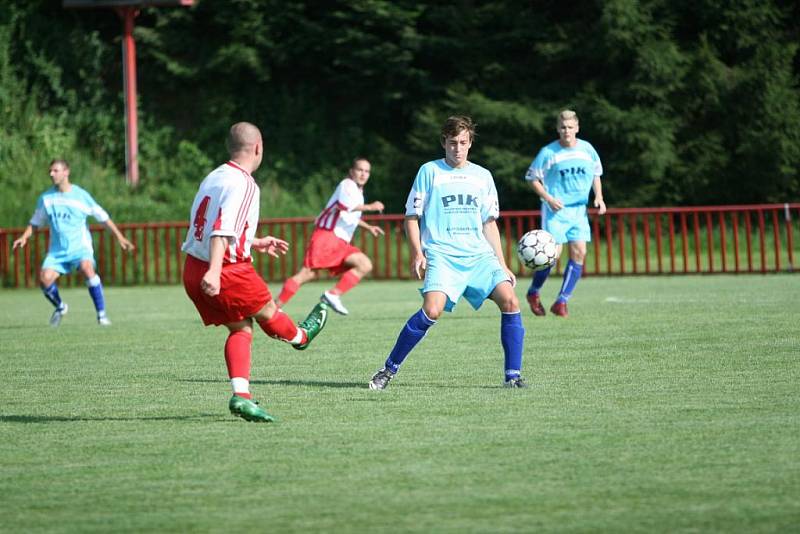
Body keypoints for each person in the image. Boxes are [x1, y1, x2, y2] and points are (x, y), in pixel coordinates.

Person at [181, 122, 329, 422]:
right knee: (269, 312)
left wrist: (254, 241)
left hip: (192, 268)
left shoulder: (214, 176)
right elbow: (221, 230)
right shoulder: (245, 183)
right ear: (258, 148)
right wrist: (215, 270)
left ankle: (242, 396)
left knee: (241, 328)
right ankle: (301, 336)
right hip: (224, 270)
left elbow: (212, 223)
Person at [368, 115, 527, 390]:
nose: (458, 148)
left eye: (463, 142)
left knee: (511, 302)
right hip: (442, 255)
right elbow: (411, 216)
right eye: (452, 142)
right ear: (444, 142)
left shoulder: (483, 176)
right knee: (432, 310)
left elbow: (489, 224)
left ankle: (512, 377)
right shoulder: (430, 171)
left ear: (470, 143)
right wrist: (418, 253)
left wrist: (502, 264)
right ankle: (388, 369)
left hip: (479, 256)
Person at [12, 159, 135, 327]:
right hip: (57, 252)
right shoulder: (46, 199)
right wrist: (24, 237)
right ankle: (60, 307)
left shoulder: (81, 196)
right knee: (45, 279)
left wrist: (120, 237)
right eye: (50, 171)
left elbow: (103, 218)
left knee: (87, 268)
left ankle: (102, 315)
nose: (51, 174)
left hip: (80, 248)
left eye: (55, 170)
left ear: (66, 172)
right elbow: (35, 223)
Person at [275, 158, 385, 315]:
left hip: (340, 241)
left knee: (365, 264)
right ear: (351, 171)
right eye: (360, 170)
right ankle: (274, 307)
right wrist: (371, 207)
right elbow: (345, 206)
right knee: (307, 274)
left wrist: (368, 227)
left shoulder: (358, 192)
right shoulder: (346, 184)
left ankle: (332, 295)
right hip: (327, 236)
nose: (363, 174)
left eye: (367, 171)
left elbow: (349, 216)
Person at [523, 109, 606, 318]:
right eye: (562, 127)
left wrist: (599, 197)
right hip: (556, 212)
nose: (566, 131)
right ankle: (533, 292)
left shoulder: (587, 149)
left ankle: (561, 301)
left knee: (579, 253)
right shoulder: (549, 152)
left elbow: (596, 173)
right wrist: (549, 198)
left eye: (570, 127)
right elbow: (532, 177)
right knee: (551, 257)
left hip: (579, 210)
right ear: (557, 129)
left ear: (577, 128)